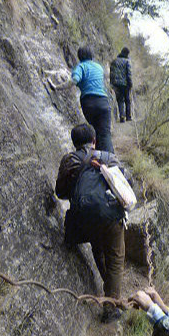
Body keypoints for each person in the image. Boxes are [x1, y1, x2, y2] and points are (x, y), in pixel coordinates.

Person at [55, 123, 125, 323]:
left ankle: (109, 292)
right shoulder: (107, 157)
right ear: (94, 140)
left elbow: (60, 192)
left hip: (84, 217)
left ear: (74, 143)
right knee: (116, 259)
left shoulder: (69, 161)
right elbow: (124, 183)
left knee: (99, 251)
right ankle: (111, 307)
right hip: (110, 215)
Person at [48, 45, 114, 153]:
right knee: (105, 133)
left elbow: (74, 81)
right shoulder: (98, 67)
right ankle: (111, 162)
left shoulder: (80, 67)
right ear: (91, 55)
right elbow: (103, 78)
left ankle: (96, 161)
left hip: (89, 103)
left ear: (79, 56)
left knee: (94, 132)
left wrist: (57, 87)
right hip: (103, 102)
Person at [110, 47, 132, 123]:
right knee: (127, 100)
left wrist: (112, 83)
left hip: (116, 84)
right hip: (125, 84)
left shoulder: (114, 61)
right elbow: (129, 73)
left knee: (120, 100)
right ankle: (128, 117)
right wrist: (130, 83)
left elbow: (111, 73)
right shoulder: (127, 61)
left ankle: (122, 116)